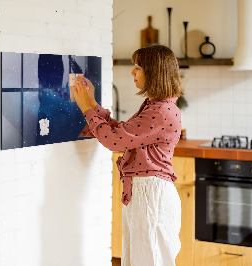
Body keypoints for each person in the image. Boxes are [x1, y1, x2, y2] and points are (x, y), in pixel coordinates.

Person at [71, 44, 183, 266]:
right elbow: (122, 133)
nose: (132, 72)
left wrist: (86, 108)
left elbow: (114, 141)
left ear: (154, 72)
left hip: (151, 195)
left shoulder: (160, 111)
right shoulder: (156, 106)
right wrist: (92, 103)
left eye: (138, 67)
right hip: (146, 193)